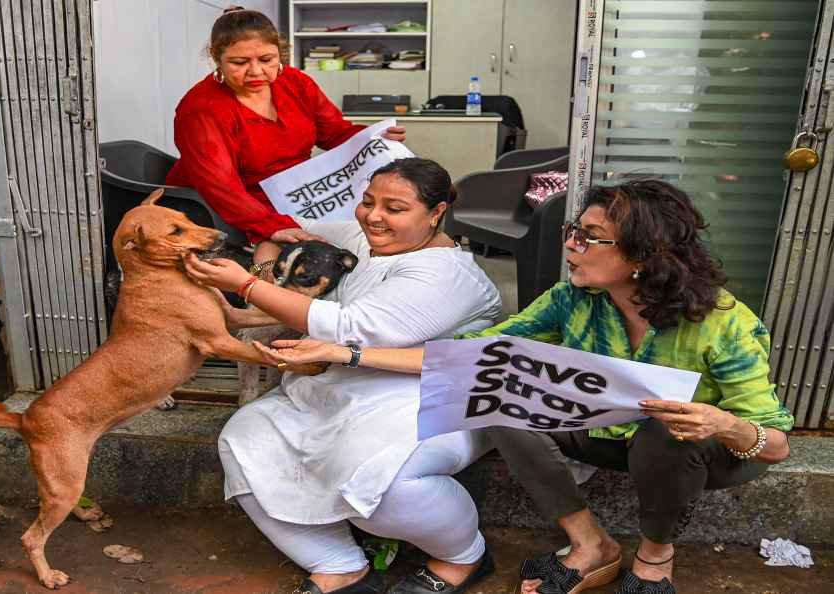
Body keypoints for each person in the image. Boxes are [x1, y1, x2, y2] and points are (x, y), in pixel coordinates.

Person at [255, 179, 794, 594]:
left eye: (589, 237)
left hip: (705, 450)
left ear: (642, 256)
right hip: (609, 436)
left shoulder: (724, 323)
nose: (572, 245)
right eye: (572, 231)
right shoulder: (573, 300)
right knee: (500, 388)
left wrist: (720, 421)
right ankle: (590, 544)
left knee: (667, 431)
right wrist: (344, 349)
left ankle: (655, 555)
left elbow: (775, 444)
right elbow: (475, 353)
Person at [184, 158, 503, 594]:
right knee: (244, 440)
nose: (374, 216)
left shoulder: (447, 274)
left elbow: (353, 327)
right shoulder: (356, 236)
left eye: (395, 208)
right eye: (368, 202)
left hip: (426, 394)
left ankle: (463, 556)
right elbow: (274, 234)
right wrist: (263, 270)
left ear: (436, 212)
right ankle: (337, 564)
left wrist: (248, 288)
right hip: (335, 385)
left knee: (379, 479)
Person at [166, 7, 405, 252]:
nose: (256, 71)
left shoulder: (295, 82)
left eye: (267, 60)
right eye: (239, 62)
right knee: (336, 244)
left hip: (297, 196)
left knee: (387, 226)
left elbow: (334, 133)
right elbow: (221, 187)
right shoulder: (201, 109)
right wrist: (271, 225)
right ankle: (255, 284)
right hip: (239, 207)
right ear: (217, 58)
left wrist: (372, 137)